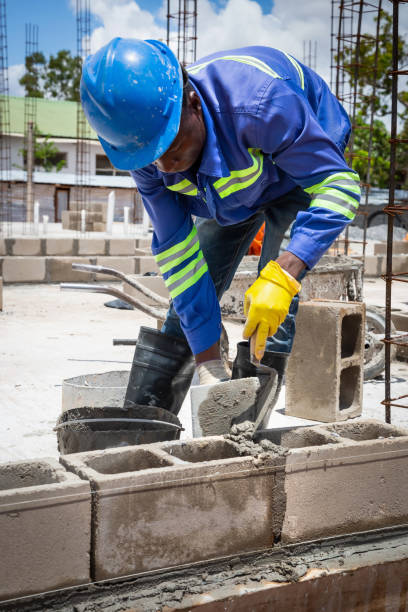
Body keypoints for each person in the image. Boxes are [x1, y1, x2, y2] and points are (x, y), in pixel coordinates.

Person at [81, 38, 360, 423]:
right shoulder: (144, 143)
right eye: (151, 156)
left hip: (299, 171)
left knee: (275, 313)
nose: (164, 167)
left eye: (172, 147)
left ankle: (243, 436)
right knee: (189, 300)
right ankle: (146, 425)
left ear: (193, 102)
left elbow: (340, 186)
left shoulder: (261, 104)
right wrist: (208, 363)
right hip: (232, 183)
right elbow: (179, 254)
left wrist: (285, 274)